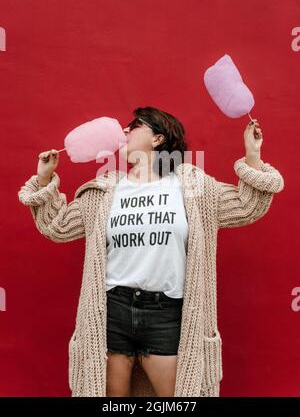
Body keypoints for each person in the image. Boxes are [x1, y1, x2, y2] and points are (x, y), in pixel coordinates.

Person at [18, 106, 284, 397]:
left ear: (157, 139)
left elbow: (248, 205)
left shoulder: (193, 188)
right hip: (113, 310)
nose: (125, 131)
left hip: (166, 313)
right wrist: (44, 179)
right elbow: (57, 226)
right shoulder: (105, 190)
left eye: (135, 125)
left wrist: (252, 153)